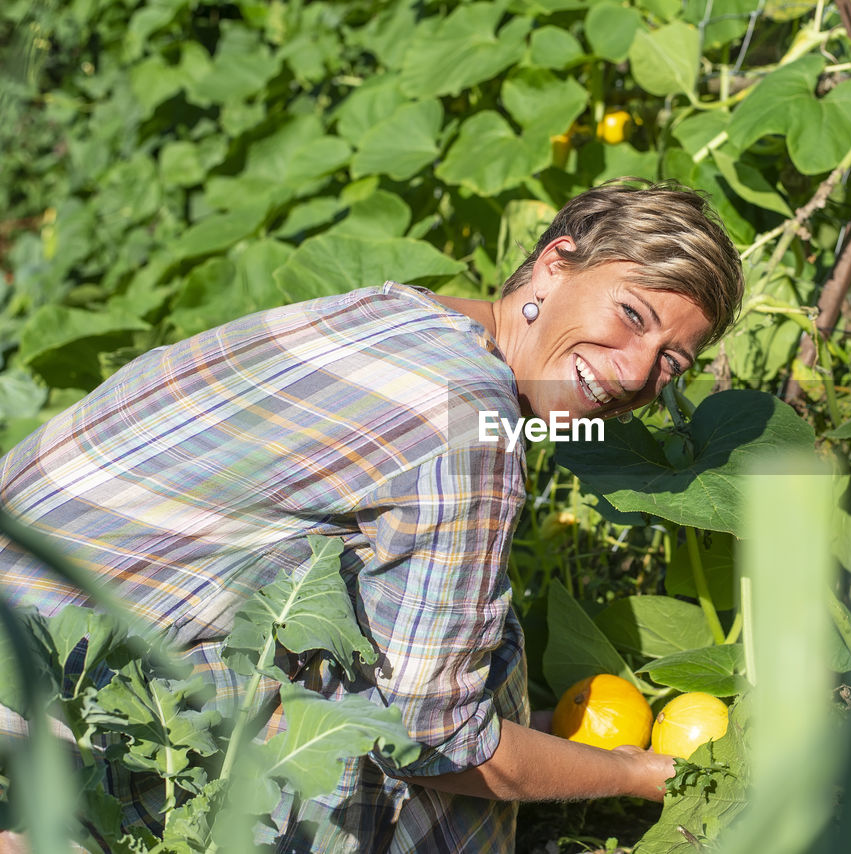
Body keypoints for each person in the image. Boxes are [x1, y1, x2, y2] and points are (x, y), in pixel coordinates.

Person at [0, 179, 744, 852]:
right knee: (407, 716)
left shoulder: (399, 313)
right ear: (554, 265)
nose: (635, 372)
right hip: (43, 717)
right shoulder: (468, 420)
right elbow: (434, 744)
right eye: (631, 314)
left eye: (671, 364)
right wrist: (632, 772)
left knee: (426, 647)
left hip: (34, 632)